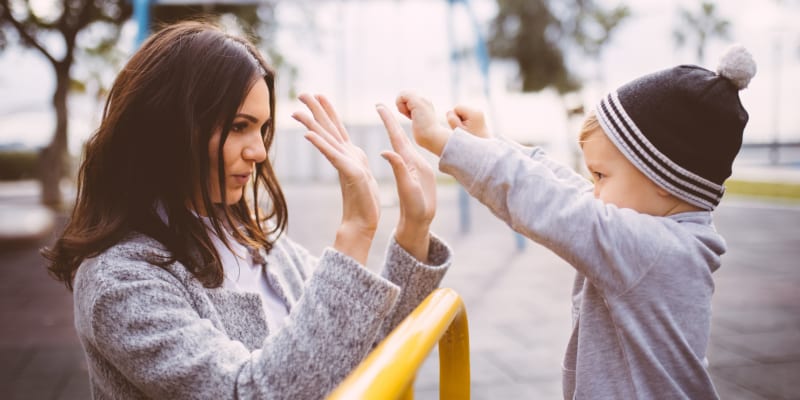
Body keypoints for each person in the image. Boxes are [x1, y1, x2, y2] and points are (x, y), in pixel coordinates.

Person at [42, 21, 451, 399]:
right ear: (169, 127)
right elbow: (250, 392)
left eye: (262, 129)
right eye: (239, 126)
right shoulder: (119, 281)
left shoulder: (259, 242)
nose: (258, 151)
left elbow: (359, 348)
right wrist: (356, 232)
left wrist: (414, 228)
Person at [395, 45, 756, 399]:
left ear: (664, 179)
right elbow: (567, 187)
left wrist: (446, 143)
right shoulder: (667, 235)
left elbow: (553, 203)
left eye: (601, 175)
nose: (593, 190)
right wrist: (489, 143)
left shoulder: (655, 250)